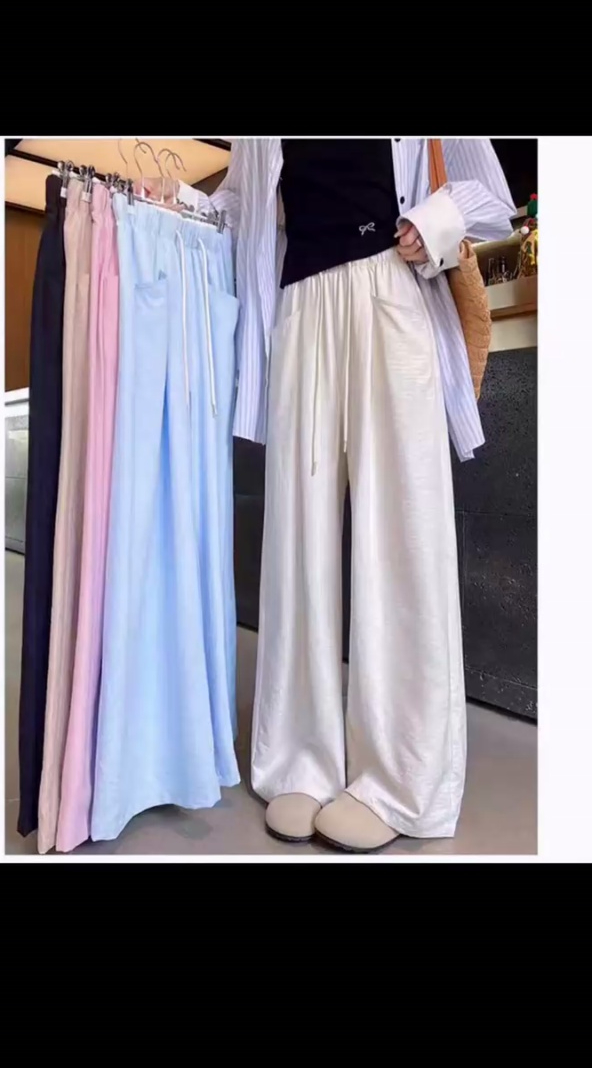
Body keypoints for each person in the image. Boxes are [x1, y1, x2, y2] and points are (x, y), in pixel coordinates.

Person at [138, 138, 516, 852]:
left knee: (403, 541)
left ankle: (401, 778)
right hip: (301, 308)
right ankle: (298, 759)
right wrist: (182, 201)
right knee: (297, 543)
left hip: (392, 292)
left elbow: (489, 194)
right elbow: (244, 206)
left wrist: (433, 221)